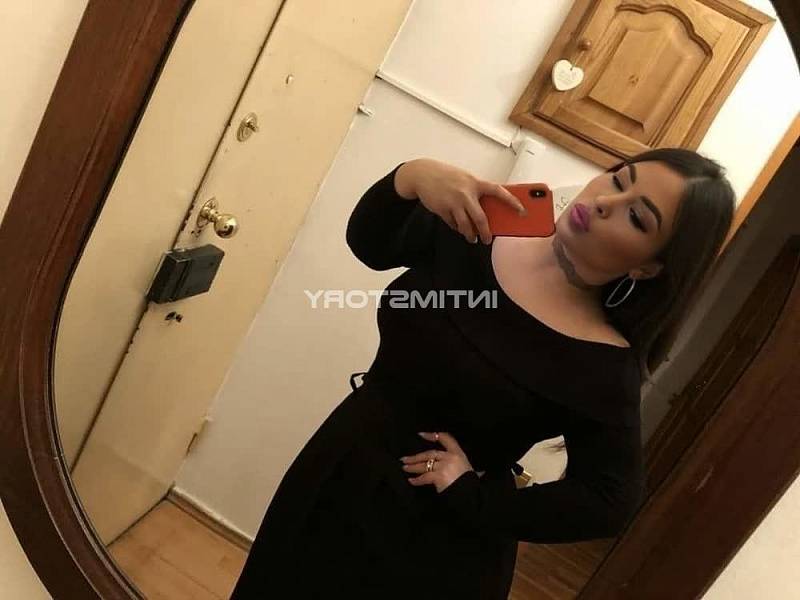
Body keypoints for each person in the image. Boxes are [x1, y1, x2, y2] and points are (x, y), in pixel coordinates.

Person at [229, 148, 735, 599]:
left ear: (647, 268)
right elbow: (371, 245)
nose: (605, 201)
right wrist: (411, 176)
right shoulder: (483, 226)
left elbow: (610, 500)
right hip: (338, 468)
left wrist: (474, 497)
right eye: (618, 179)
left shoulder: (602, 360)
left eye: (637, 217)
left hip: (431, 546)